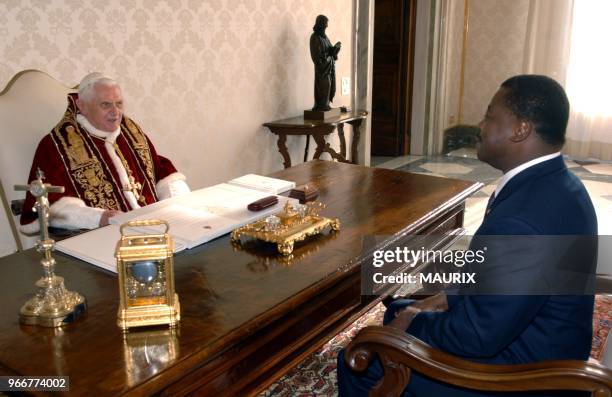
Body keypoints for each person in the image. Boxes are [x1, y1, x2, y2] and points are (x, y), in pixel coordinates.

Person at [337, 75, 598, 396]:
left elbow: (477, 337)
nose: (480, 125)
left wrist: (411, 324)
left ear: (521, 129)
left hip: (527, 375)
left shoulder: (522, 221)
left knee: (357, 357)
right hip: (539, 338)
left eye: (489, 116)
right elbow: (505, 280)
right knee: (398, 310)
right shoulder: (559, 184)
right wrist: (443, 298)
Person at [20, 73, 190, 233]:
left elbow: (159, 169)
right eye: (106, 105)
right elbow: (50, 203)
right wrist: (97, 217)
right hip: (99, 236)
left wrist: (176, 200)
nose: (115, 112)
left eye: (119, 103)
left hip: (154, 225)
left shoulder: (130, 132)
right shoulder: (56, 145)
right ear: (82, 106)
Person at [310, 15, 341, 112]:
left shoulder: (325, 37)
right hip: (322, 70)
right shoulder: (315, 37)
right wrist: (328, 56)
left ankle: (326, 104)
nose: (326, 27)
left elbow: (330, 50)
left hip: (329, 69)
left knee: (329, 87)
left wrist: (335, 49)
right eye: (324, 25)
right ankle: (321, 106)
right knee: (323, 88)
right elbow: (316, 58)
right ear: (320, 24)